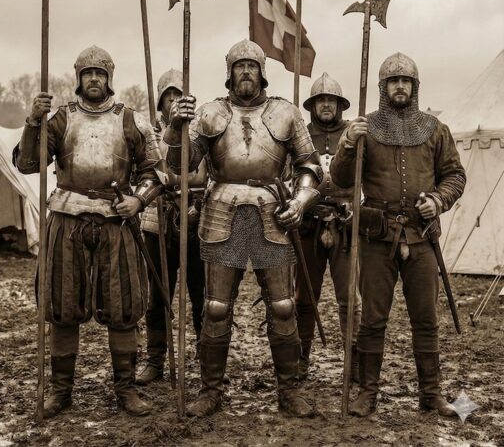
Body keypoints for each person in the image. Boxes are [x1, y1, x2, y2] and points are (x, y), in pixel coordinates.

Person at [165, 39, 322, 418]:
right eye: (240, 66)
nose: (246, 72)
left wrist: (300, 202)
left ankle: (289, 390)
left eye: (252, 65)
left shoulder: (285, 113)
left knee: (283, 307)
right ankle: (211, 391)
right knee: (216, 308)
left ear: (262, 71)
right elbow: (181, 167)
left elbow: (311, 167)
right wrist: (176, 129)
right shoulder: (210, 113)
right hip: (222, 212)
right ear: (230, 73)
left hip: (273, 210)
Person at [14, 45, 163, 417]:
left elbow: (155, 173)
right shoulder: (60, 119)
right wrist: (34, 121)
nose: (94, 79)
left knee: (123, 305)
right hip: (67, 217)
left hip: (117, 220)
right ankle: (61, 391)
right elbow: (29, 163)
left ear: (109, 77)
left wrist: (139, 201)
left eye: (100, 73)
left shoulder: (132, 119)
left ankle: (125, 390)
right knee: (62, 305)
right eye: (87, 73)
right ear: (78, 77)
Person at [331, 52, 465, 418]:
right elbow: (342, 179)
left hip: (422, 236)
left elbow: (455, 175)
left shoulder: (436, 130)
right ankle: (368, 394)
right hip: (378, 237)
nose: (400, 86)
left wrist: (438, 200)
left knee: (426, 318)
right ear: (383, 87)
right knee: (373, 318)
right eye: (394, 81)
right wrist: (347, 144)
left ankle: (431, 395)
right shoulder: (366, 127)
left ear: (415, 87)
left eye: (406, 81)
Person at [135, 68, 207, 386]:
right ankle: (154, 360)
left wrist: (174, 178)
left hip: (196, 221)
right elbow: (151, 174)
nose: (175, 102)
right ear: (161, 103)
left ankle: (208, 360)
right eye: (169, 97)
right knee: (158, 298)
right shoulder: (150, 135)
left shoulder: (201, 135)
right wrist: (168, 177)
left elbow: (201, 177)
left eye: (180, 96)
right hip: (157, 224)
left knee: (202, 297)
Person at [295, 73, 361, 381]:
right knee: (305, 296)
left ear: (339, 105)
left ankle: (356, 360)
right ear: (311, 105)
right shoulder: (301, 135)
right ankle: (300, 358)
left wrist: (356, 207)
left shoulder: (355, 133)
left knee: (349, 298)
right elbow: (288, 175)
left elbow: (367, 177)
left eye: (330, 100)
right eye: (320, 100)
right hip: (309, 223)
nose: (325, 105)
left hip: (344, 225)